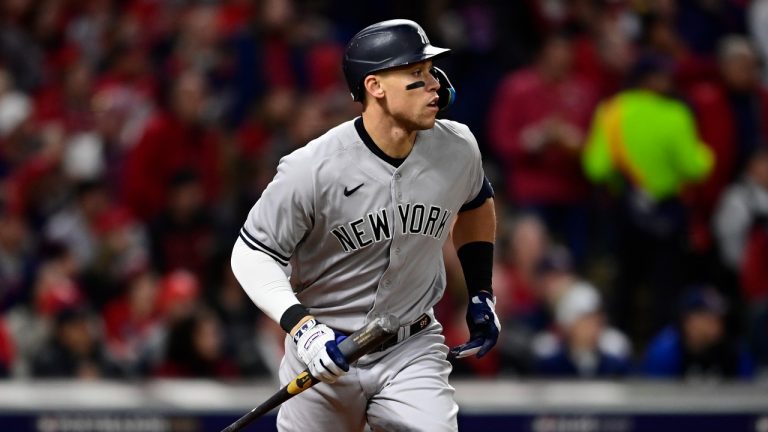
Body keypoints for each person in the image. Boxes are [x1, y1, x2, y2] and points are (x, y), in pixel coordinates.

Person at [230, 19, 499, 432]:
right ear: (374, 86)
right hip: (324, 349)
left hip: (411, 345)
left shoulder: (457, 147)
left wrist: (481, 292)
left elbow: (477, 204)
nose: (434, 85)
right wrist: (303, 329)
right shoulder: (312, 168)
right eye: (416, 74)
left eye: (430, 72)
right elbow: (251, 254)